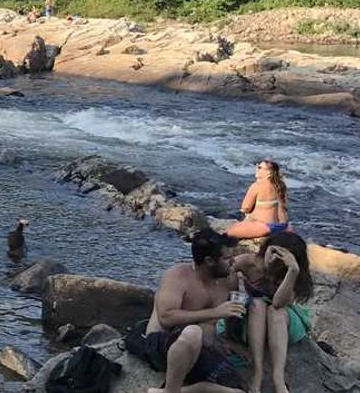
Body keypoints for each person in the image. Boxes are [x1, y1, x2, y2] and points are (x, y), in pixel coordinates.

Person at [127, 229, 247, 393]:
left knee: (238, 389)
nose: (233, 262)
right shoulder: (178, 275)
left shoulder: (228, 281)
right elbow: (166, 318)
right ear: (209, 261)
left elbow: (213, 325)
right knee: (192, 332)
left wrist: (228, 343)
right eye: (227, 258)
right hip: (162, 342)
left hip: (200, 350)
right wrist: (215, 312)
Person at [226, 233, 313, 393]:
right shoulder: (249, 262)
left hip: (282, 321)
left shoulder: (291, 272)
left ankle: (278, 380)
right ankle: (257, 373)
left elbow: (279, 303)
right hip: (254, 321)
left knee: (274, 310)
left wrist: (292, 271)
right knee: (257, 303)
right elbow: (224, 271)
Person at [226, 160, 290, 239]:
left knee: (229, 233)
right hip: (283, 225)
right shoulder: (280, 185)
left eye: (260, 168)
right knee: (237, 226)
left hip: (267, 226)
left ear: (269, 173)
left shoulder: (257, 186)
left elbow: (245, 208)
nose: (256, 169)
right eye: (257, 167)